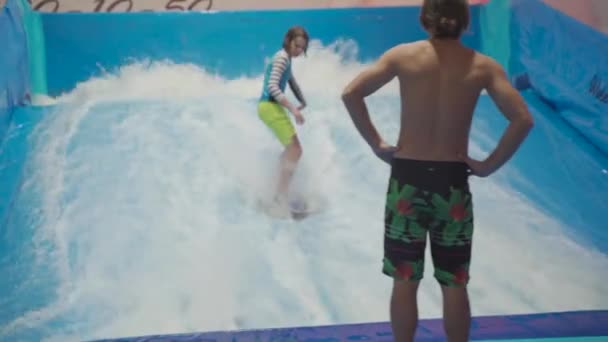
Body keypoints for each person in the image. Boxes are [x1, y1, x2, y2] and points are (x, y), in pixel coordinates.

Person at [340, 0, 534, 341]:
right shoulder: (483, 66)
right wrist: (488, 165)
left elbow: (351, 92)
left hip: (407, 183)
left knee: (404, 281)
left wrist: (376, 143)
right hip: (452, 185)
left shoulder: (402, 56)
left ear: (422, 18)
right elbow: (522, 119)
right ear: (465, 22)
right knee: (454, 283)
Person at [257, 26, 309, 214]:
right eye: (297, 46)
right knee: (295, 150)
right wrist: (294, 109)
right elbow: (272, 86)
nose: (299, 51)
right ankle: (279, 197)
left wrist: (302, 100)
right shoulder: (281, 58)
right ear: (288, 41)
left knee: (291, 150)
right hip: (269, 107)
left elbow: (290, 81)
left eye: (302, 48)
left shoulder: (285, 58)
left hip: (271, 107)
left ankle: (275, 191)